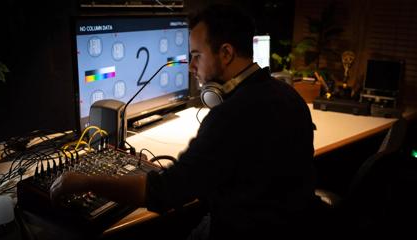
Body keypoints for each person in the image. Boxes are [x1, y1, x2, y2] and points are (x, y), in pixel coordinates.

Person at [50, 4, 317, 239]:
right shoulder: (288, 95)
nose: (190, 66)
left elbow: (164, 193)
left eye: (197, 55)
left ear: (226, 53)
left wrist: (88, 182)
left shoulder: (230, 116)